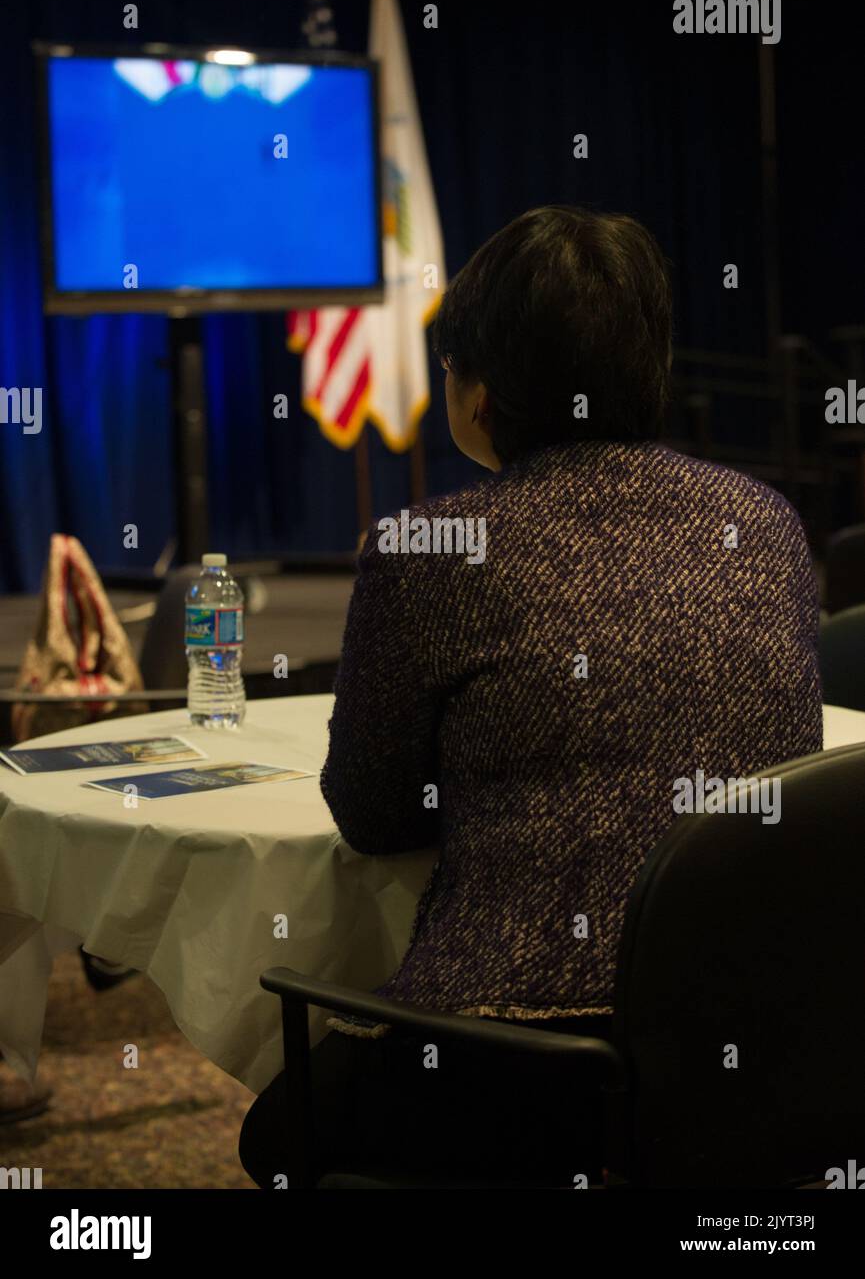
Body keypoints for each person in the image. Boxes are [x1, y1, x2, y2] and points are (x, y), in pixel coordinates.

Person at [239, 205, 823, 1188]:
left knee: (278, 1135)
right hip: (758, 1052)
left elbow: (373, 817)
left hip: (520, 1072)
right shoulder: (765, 521)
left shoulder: (431, 548)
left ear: (478, 390)